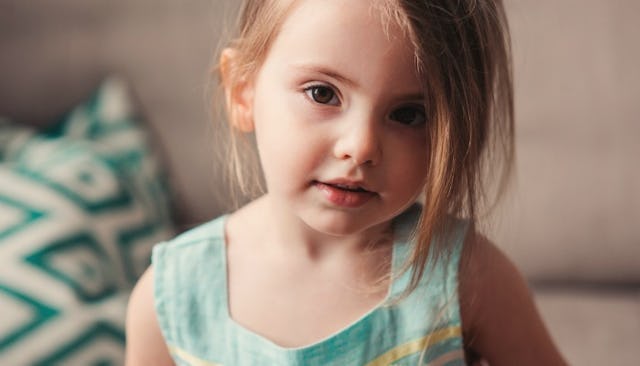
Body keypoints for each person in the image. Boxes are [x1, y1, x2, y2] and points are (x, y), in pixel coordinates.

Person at [125, 0, 567, 365]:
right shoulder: (170, 299)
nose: (361, 147)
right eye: (323, 93)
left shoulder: (466, 275)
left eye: (409, 115)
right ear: (243, 91)